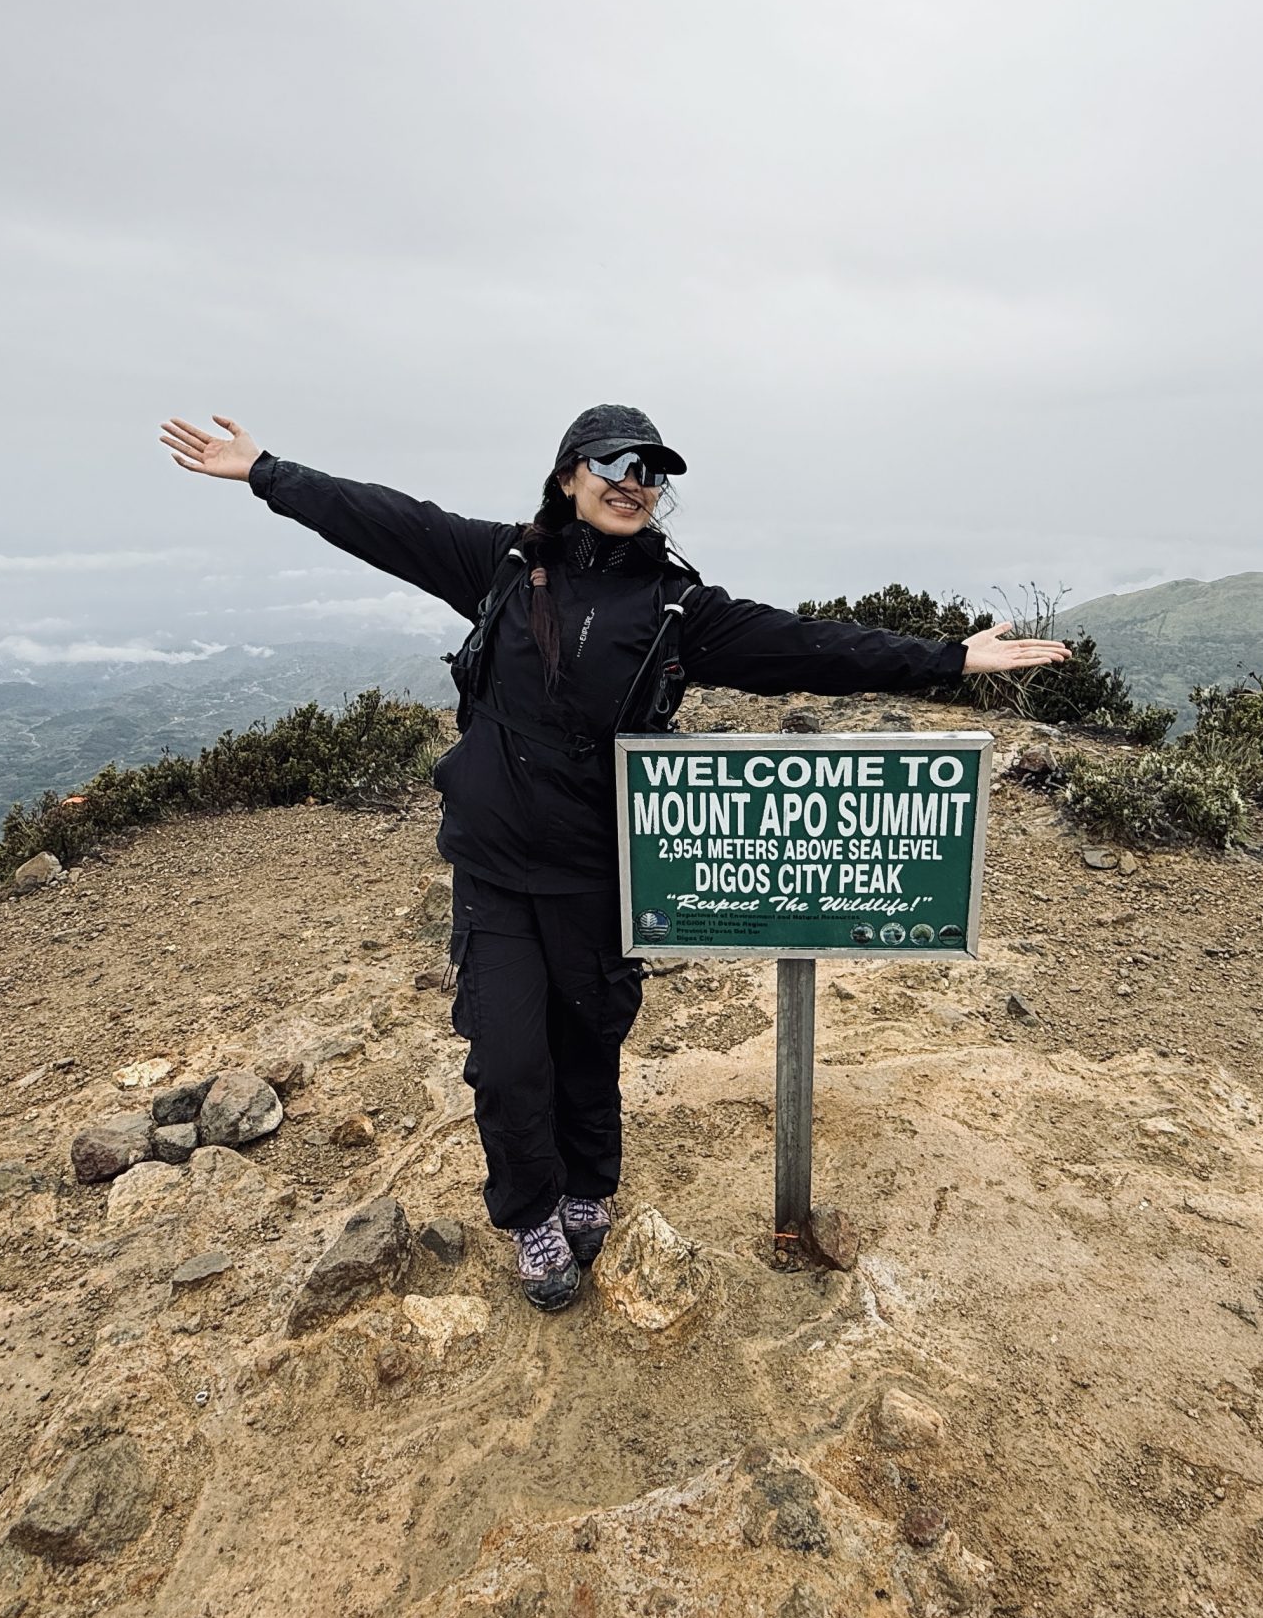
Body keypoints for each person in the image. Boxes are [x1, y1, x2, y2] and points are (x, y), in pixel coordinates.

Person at [160, 404, 1068, 1311]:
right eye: (612, 462)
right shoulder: (503, 565)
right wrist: (265, 470)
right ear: (568, 476)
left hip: (603, 873)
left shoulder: (678, 608)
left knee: (590, 1043)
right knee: (509, 1058)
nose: (634, 480)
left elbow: (809, 645)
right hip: (497, 874)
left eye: (652, 470)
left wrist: (948, 657)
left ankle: (590, 1186)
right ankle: (532, 1216)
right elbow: (384, 518)